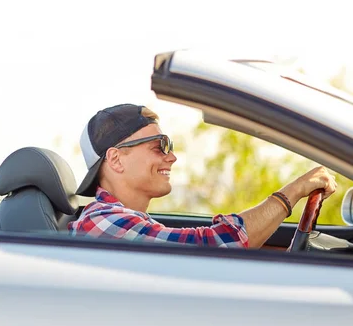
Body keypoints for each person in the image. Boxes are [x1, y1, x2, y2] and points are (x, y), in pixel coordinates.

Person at [68, 103, 337, 248]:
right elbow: (213, 245)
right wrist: (293, 192)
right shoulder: (103, 224)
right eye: (159, 145)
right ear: (116, 159)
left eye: (169, 146)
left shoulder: (130, 222)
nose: (171, 156)